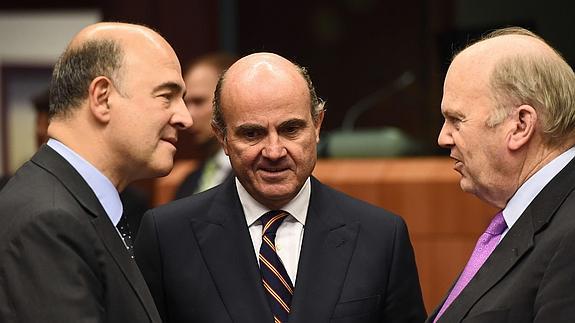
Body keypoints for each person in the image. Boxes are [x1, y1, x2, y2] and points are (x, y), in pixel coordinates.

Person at [135, 52, 426, 323]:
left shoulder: (381, 237)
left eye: (290, 129)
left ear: (317, 125)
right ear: (222, 138)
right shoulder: (168, 237)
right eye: (252, 133)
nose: (274, 151)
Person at [0, 22, 192, 322]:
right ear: (102, 98)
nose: (185, 118)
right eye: (166, 95)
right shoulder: (50, 221)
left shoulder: (70, 202)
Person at [428, 27, 575, 322]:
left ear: (520, 125)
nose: (443, 137)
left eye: (457, 120)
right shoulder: (523, 220)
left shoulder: (569, 234)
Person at [175, 52, 238, 199]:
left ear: (230, 100)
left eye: (199, 102)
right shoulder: (190, 181)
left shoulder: (256, 177)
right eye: (186, 103)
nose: (189, 116)